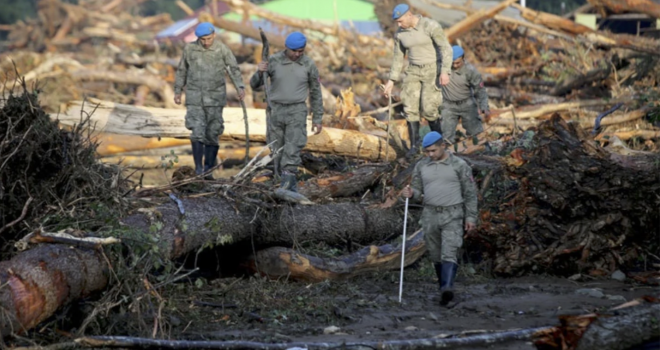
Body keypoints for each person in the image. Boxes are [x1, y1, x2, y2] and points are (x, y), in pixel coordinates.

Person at [401, 131, 477, 305]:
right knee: (435, 254)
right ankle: (443, 289)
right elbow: (417, 190)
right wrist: (411, 193)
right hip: (430, 214)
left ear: (443, 145)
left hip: (453, 213)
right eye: (427, 152)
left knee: (449, 250)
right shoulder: (422, 166)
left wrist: (471, 218)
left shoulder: (459, 165)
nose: (430, 154)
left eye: (433, 151)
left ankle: (447, 288)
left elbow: (470, 193)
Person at [250, 31, 323, 192]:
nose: (297, 54)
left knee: (293, 147)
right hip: (275, 110)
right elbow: (254, 84)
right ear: (286, 48)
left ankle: (289, 183)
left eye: (300, 51)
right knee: (276, 147)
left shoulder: (308, 64)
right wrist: (260, 71)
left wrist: (317, 117)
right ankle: (277, 179)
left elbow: (316, 92)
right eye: (294, 51)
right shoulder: (274, 61)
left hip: (297, 110)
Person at [173, 22, 246, 177]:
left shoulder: (222, 49)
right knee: (197, 131)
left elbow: (233, 68)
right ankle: (198, 169)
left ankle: (208, 170)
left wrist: (240, 87)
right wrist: (178, 90)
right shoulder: (190, 49)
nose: (205, 42)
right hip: (195, 98)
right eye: (202, 39)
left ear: (214, 35)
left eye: (208, 39)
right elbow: (182, 70)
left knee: (212, 133)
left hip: (215, 98)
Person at [381, 3, 452, 157]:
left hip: (432, 69)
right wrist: (391, 81)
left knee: (429, 109)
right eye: (397, 22)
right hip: (413, 70)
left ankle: (440, 144)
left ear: (409, 15)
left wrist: (445, 71)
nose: (399, 25)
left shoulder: (430, 25)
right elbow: (398, 58)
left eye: (400, 21)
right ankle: (415, 147)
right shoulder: (400, 34)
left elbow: (445, 48)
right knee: (410, 108)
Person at [440, 45, 490, 144]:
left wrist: (484, 105)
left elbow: (480, 90)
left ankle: (484, 152)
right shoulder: (443, 68)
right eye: (452, 63)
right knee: (446, 136)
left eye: (457, 63)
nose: (454, 65)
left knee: (476, 133)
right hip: (448, 105)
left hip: (467, 104)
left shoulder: (471, 71)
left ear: (463, 58)